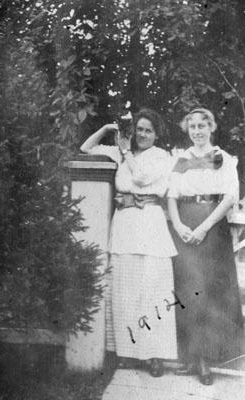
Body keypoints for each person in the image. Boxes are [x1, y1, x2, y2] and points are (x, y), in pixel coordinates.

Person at [80, 108, 178, 377]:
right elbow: (85, 148)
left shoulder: (161, 157)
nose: (143, 134)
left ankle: (155, 355)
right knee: (125, 293)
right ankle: (128, 352)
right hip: (124, 227)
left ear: (156, 134)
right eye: (139, 129)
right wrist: (108, 130)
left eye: (148, 130)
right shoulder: (121, 152)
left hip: (151, 228)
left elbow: (142, 178)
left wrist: (125, 152)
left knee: (153, 293)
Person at [168, 108, 244, 385]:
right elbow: (172, 196)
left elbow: (228, 197)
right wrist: (178, 225)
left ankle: (205, 360)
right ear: (187, 129)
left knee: (210, 292)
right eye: (193, 126)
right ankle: (191, 357)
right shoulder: (181, 159)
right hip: (185, 225)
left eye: (202, 125)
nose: (197, 131)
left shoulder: (223, 158)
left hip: (211, 226)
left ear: (211, 128)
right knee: (188, 291)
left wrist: (203, 227)